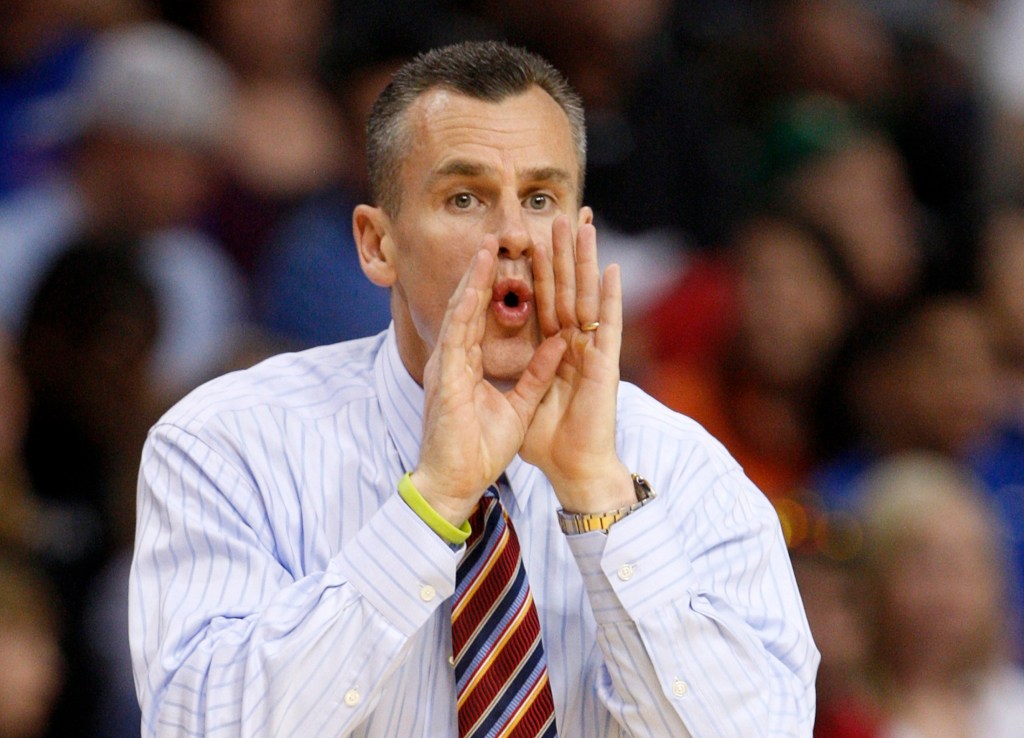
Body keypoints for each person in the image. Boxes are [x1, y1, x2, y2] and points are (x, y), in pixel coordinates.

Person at [130, 41, 818, 736]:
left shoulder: (686, 472)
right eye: (465, 197)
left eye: (541, 198)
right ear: (377, 244)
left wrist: (602, 498)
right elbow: (202, 726)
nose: (515, 234)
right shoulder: (228, 445)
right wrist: (431, 505)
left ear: (584, 233)